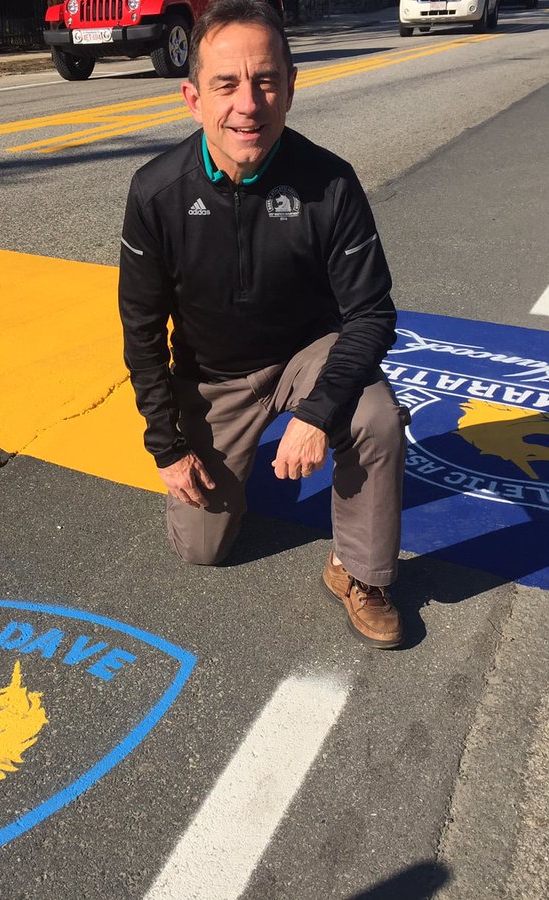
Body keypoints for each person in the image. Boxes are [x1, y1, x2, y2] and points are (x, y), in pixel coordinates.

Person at [117, 0, 409, 648]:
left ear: (291, 86)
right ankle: (234, 477)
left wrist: (318, 411)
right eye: (226, 84)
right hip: (212, 376)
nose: (248, 103)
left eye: (266, 80)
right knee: (202, 548)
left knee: (375, 416)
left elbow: (372, 313)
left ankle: (358, 570)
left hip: (306, 355)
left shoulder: (330, 183)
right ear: (193, 98)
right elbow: (141, 330)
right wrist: (166, 446)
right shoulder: (156, 193)